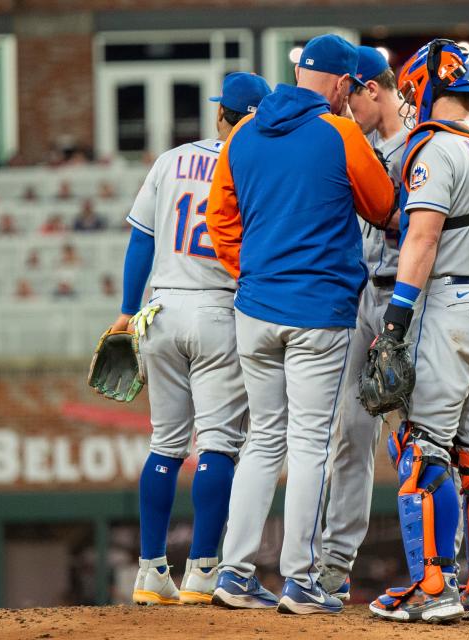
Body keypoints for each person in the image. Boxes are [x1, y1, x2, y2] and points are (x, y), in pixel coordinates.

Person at [206, 34, 394, 615]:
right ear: (342, 83)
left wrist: (255, 273)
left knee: (262, 440)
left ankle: (233, 573)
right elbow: (384, 206)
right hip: (320, 313)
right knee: (311, 443)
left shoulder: (241, 134)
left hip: (254, 309)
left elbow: (220, 220)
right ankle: (300, 580)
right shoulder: (338, 133)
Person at [366, 39, 469, 624]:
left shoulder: (434, 148)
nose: (411, 105)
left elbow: (422, 240)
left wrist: (394, 324)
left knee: (422, 449)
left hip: (449, 303)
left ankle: (432, 587)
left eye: (413, 94)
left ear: (429, 89)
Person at [103, 72, 271, 607]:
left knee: (165, 446)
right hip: (221, 311)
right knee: (219, 444)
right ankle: (202, 571)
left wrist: (127, 314)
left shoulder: (173, 159)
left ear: (222, 112)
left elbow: (140, 241)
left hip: (162, 310)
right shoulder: (258, 163)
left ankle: (150, 571)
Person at [320, 45, 407, 603]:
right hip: (361, 301)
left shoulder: (425, 141)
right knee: (349, 432)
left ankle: (440, 566)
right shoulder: (359, 145)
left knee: (422, 438)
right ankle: (334, 563)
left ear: (371, 88)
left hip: (409, 301)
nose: (347, 107)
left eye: (351, 95)